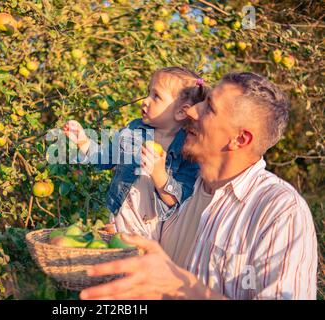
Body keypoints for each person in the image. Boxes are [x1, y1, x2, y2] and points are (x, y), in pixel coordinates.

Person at [79, 72, 318, 300]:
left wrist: (180, 288)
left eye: (209, 107)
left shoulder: (279, 211)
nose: (192, 110)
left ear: (240, 139)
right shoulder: (177, 189)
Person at [63, 67, 208, 240]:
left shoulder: (188, 150)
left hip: (155, 235)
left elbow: (178, 199)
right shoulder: (134, 130)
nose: (145, 100)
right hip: (119, 224)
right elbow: (106, 158)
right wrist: (83, 141)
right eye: (148, 92)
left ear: (181, 111)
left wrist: (159, 174)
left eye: (156, 96)